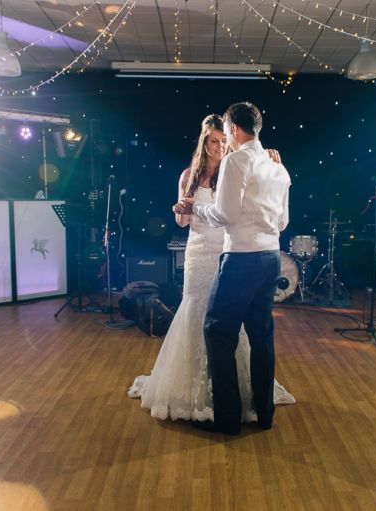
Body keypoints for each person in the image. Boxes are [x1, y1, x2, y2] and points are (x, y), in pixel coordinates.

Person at [129, 114, 294, 424]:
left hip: (231, 250)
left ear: (231, 136)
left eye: (222, 140)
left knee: (227, 326)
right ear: (203, 143)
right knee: (197, 313)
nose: (219, 147)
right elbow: (183, 221)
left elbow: (228, 213)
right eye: (213, 141)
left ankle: (232, 403)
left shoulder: (239, 167)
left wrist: (199, 207)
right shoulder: (188, 175)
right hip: (201, 251)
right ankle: (198, 389)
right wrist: (182, 209)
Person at [174, 102, 291, 435]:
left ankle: (227, 419)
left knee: (216, 331)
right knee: (261, 335)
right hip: (271, 257)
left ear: (234, 130)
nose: (224, 139)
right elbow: (283, 221)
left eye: (225, 132)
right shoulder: (279, 168)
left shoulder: (237, 161)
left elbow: (225, 215)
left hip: (241, 258)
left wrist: (199, 208)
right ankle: (264, 413)